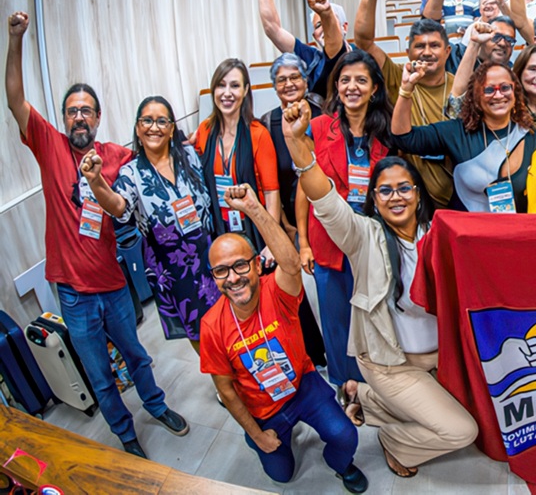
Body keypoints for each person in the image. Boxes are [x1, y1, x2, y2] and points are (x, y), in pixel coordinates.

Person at [6, 11, 188, 458]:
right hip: (72, 293)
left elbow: (141, 184)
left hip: (113, 284)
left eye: (86, 110)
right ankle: (126, 435)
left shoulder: (116, 156)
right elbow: (13, 98)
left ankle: (156, 405)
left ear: (99, 116)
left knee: (137, 356)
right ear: (64, 119)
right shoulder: (48, 145)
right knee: (101, 374)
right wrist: (15, 39)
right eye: (72, 111)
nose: (79, 116)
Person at [282, 99, 478, 478]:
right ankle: (396, 443)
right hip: (391, 364)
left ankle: (365, 399)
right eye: (385, 191)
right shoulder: (364, 236)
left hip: (439, 359)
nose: (396, 197)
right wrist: (298, 145)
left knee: (482, 405)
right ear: (374, 199)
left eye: (404, 188)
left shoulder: (440, 233)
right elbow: (324, 199)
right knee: (462, 430)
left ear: (418, 193)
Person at [199, 183, 367, 492]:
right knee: (281, 475)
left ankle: (340, 466)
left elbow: (291, 265)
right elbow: (227, 392)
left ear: (256, 263)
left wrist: (254, 209)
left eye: (239, 265)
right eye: (221, 271)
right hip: (262, 407)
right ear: (213, 277)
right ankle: (265, 438)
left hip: (302, 385)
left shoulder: (276, 290)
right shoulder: (212, 325)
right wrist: (258, 434)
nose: (233, 278)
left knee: (345, 436)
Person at [80, 97, 218, 351]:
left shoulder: (190, 155)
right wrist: (95, 181)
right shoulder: (131, 173)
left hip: (212, 255)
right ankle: (223, 384)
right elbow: (118, 207)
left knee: (229, 319)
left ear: (172, 128)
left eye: (162, 121)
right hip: (174, 269)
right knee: (199, 330)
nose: (154, 127)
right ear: (137, 128)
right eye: (147, 120)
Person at [297, 50, 394, 386]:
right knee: (336, 320)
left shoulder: (387, 131)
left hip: (372, 241)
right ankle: (345, 383)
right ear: (336, 86)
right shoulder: (318, 127)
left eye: (361, 80)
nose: (352, 86)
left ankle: (375, 380)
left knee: (372, 316)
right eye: (345, 79)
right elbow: (303, 189)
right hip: (328, 242)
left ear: (375, 89)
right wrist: (303, 243)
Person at [353, 0, 457, 207]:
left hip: (458, 193)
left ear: (447, 51)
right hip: (411, 199)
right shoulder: (398, 77)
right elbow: (363, 41)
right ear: (408, 52)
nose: (427, 52)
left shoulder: (461, 86)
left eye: (434, 46)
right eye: (419, 46)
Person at [257, 54, 329, 369]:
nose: (289, 84)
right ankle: (313, 355)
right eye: (281, 80)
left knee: (329, 290)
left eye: (294, 77)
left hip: (326, 212)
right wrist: (284, 226)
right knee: (296, 292)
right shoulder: (266, 123)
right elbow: (268, 180)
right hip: (289, 219)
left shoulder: (323, 113)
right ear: (274, 87)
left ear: (306, 80)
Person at [393, 60, 536, 213]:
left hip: (515, 232)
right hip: (466, 231)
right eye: (489, 90)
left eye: (505, 88)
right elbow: (404, 138)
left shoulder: (532, 136)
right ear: (476, 96)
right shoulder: (457, 132)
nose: (498, 95)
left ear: (514, 91)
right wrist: (406, 90)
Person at [194, 59, 281, 264]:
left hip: (254, 228)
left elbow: (271, 192)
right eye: (221, 85)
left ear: (245, 91)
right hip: (219, 227)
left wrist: (272, 241)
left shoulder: (258, 134)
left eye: (234, 86)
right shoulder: (204, 130)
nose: (227, 93)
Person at [254, 0, 350, 100]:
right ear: (314, 36)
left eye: (329, 20)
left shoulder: (362, 55)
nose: (324, 28)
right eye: (318, 25)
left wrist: (326, 14)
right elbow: (273, 29)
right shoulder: (311, 58)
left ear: (344, 27)